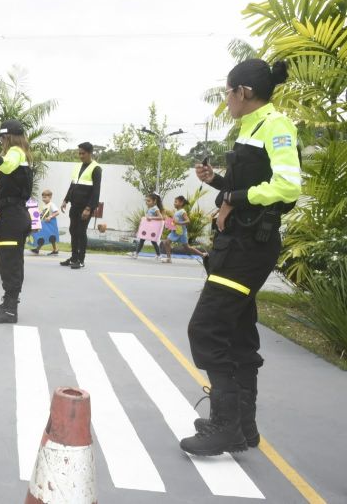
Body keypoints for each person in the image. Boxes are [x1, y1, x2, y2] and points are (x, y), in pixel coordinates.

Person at [180, 59, 301, 456]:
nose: (226, 99)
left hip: (249, 248)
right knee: (237, 335)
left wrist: (232, 197)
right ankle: (243, 427)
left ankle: (225, 424)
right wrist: (218, 182)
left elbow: (286, 187)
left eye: (228, 92)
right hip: (237, 243)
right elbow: (250, 181)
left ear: (244, 92)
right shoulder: (250, 128)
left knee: (206, 329)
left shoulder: (276, 126)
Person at [0, 119, 33, 323]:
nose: (2, 141)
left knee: (9, 262)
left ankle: (11, 309)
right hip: (13, 214)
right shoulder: (21, 154)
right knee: (11, 261)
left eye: (3, 137)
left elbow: (8, 165)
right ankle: (9, 304)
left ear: (10, 137)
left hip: (12, 215)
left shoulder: (15, 152)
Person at [60, 142, 101, 269]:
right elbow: (73, 184)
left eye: (83, 153)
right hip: (75, 205)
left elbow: (96, 190)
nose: (81, 155)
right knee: (73, 230)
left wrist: (89, 208)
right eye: (79, 153)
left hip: (86, 207)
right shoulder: (78, 166)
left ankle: (81, 260)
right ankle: (73, 257)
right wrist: (66, 200)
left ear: (90, 153)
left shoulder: (96, 168)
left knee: (81, 232)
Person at [161, 195, 207, 263]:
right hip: (175, 232)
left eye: (176, 202)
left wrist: (178, 223)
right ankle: (169, 258)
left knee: (187, 247)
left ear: (181, 203)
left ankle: (202, 254)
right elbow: (174, 222)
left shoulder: (182, 212)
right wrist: (169, 222)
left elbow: (188, 221)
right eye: (174, 202)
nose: (174, 203)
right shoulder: (176, 212)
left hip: (182, 233)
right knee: (166, 242)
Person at [129, 193, 164, 260]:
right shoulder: (150, 208)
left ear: (154, 201)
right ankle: (136, 254)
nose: (147, 202)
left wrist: (151, 218)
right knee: (142, 240)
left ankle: (159, 255)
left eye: (148, 201)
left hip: (152, 229)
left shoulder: (155, 208)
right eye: (146, 201)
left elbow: (161, 217)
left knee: (153, 241)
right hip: (147, 228)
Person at [31, 189, 60, 255]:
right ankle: (37, 249)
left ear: (50, 197)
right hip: (44, 223)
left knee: (51, 236)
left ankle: (54, 249)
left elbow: (57, 212)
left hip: (50, 223)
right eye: (43, 197)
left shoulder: (51, 204)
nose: (43, 199)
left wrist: (50, 217)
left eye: (45, 197)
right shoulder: (44, 205)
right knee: (43, 235)